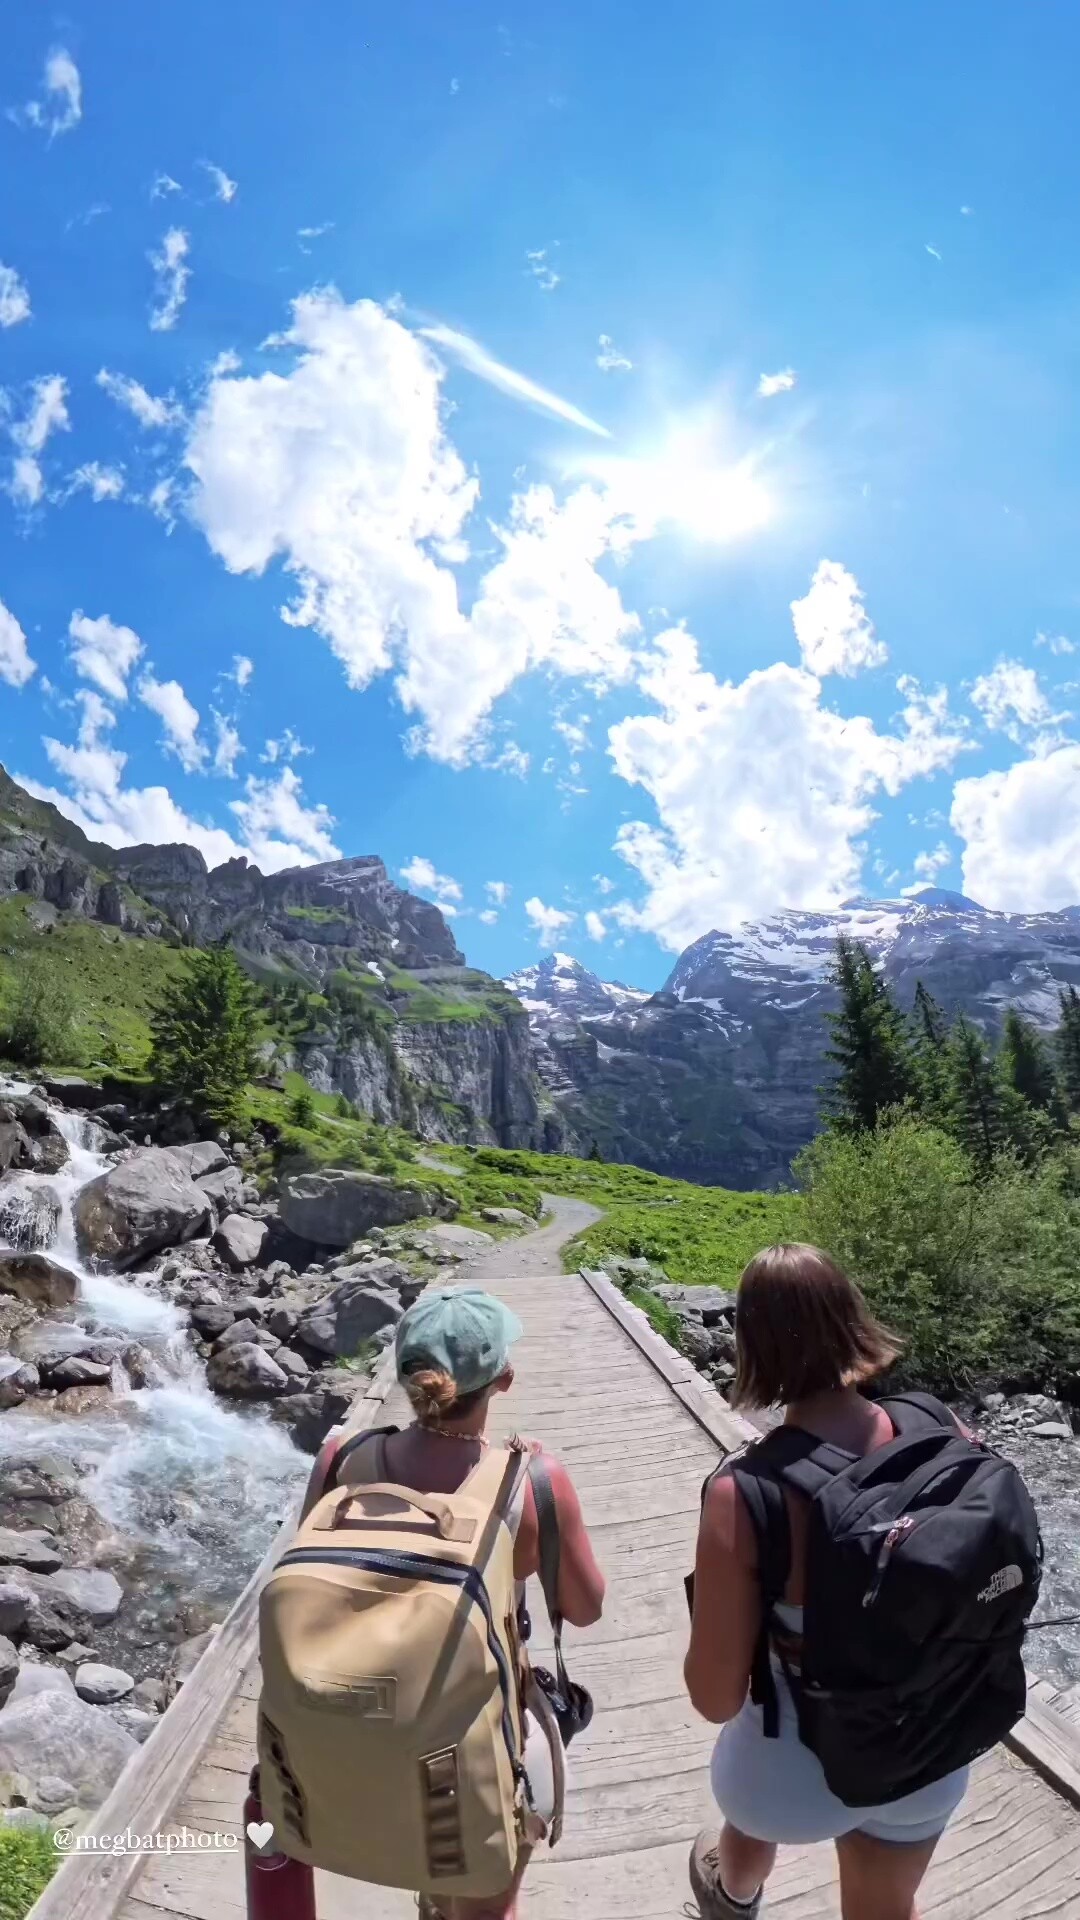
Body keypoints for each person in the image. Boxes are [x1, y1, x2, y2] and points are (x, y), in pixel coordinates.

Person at [683, 1245, 971, 1920]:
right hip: (930, 1750)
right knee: (884, 1907)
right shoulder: (941, 1426)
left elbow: (714, 1698)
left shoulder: (745, 1495)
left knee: (751, 1789)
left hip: (790, 1789)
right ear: (851, 1319)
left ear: (751, 1342)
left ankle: (733, 1893)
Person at [305, 1285, 605, 1920]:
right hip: (474, 1734)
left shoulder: (341, 1459)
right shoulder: (531, 1484)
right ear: (503, 1381)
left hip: (359, 1721)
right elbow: (584, 1608)